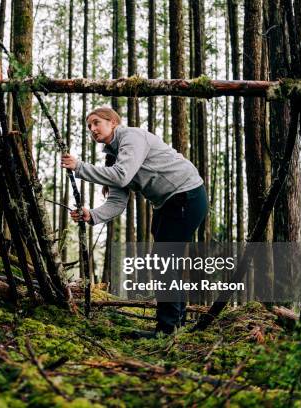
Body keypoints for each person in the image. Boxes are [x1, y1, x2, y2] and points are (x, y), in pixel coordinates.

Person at [61, 106, 208, 335]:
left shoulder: (132, 137)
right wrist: (93, 215)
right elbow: (118, 202)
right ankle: (176, 323)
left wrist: (80, 168)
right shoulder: (113, 156)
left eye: (96, 122)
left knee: (164, 261)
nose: (92, 129)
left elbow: (122, 175)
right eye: (89, 126)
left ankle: (167, 328)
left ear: (113, 122)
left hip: (187, 195)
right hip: (167, 203)